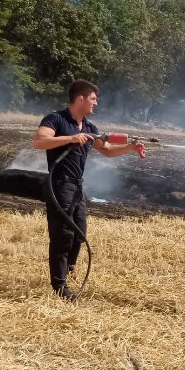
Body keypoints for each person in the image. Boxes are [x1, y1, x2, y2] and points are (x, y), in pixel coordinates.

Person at [33, 79, 145, 300]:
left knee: (79, 233)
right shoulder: (56, 119)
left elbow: (108, 149)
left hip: (76, 185)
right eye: (93, 98)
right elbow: (39, 141)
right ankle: (59, 286)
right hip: (59, 183)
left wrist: (131, 147)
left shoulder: (91, 128)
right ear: (80, 98)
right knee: (62, 234)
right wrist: (71, 138)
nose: (96, 103)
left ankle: (69, 271)